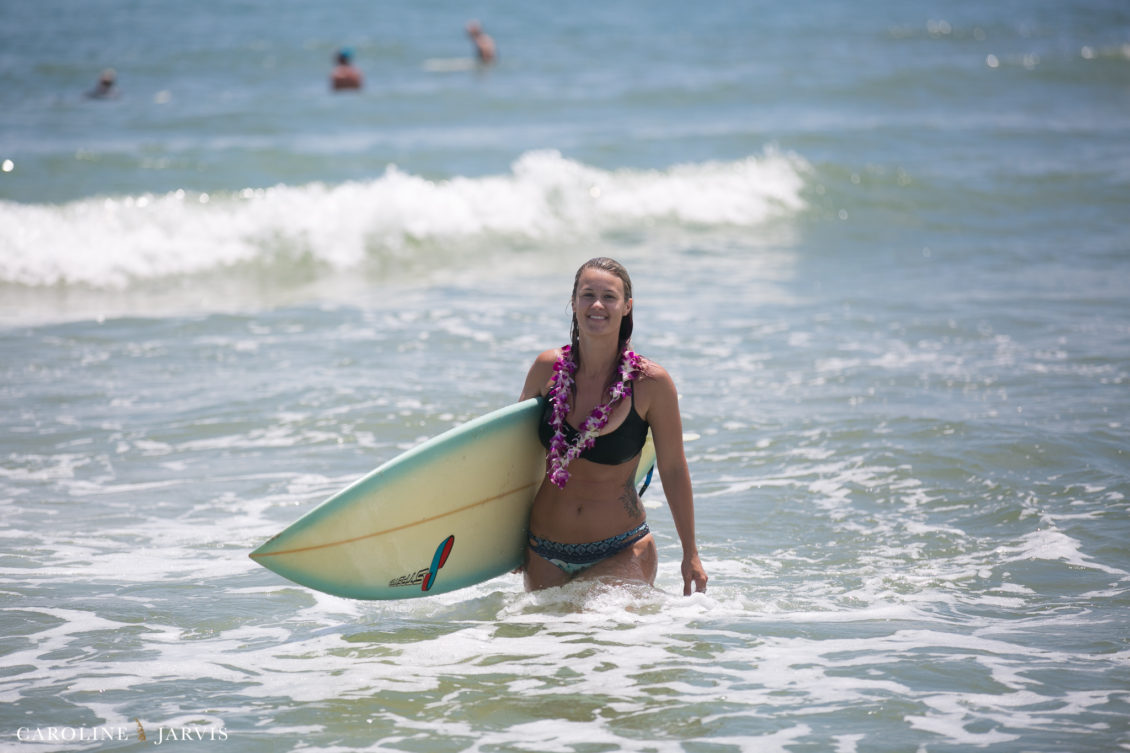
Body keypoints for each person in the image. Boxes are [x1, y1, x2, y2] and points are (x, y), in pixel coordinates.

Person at [519, 257, 708, 595]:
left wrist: (690, 553)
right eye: (587, 294)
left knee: (597, 630)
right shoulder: (546, 369)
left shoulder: (651, 383)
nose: (597, 305)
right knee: (544, 644)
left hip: (621, 548)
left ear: (626, 307)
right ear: (573, 302)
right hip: (544, 552)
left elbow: (674, 469)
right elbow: (515, 457)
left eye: (609, 297)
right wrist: (503, 546)